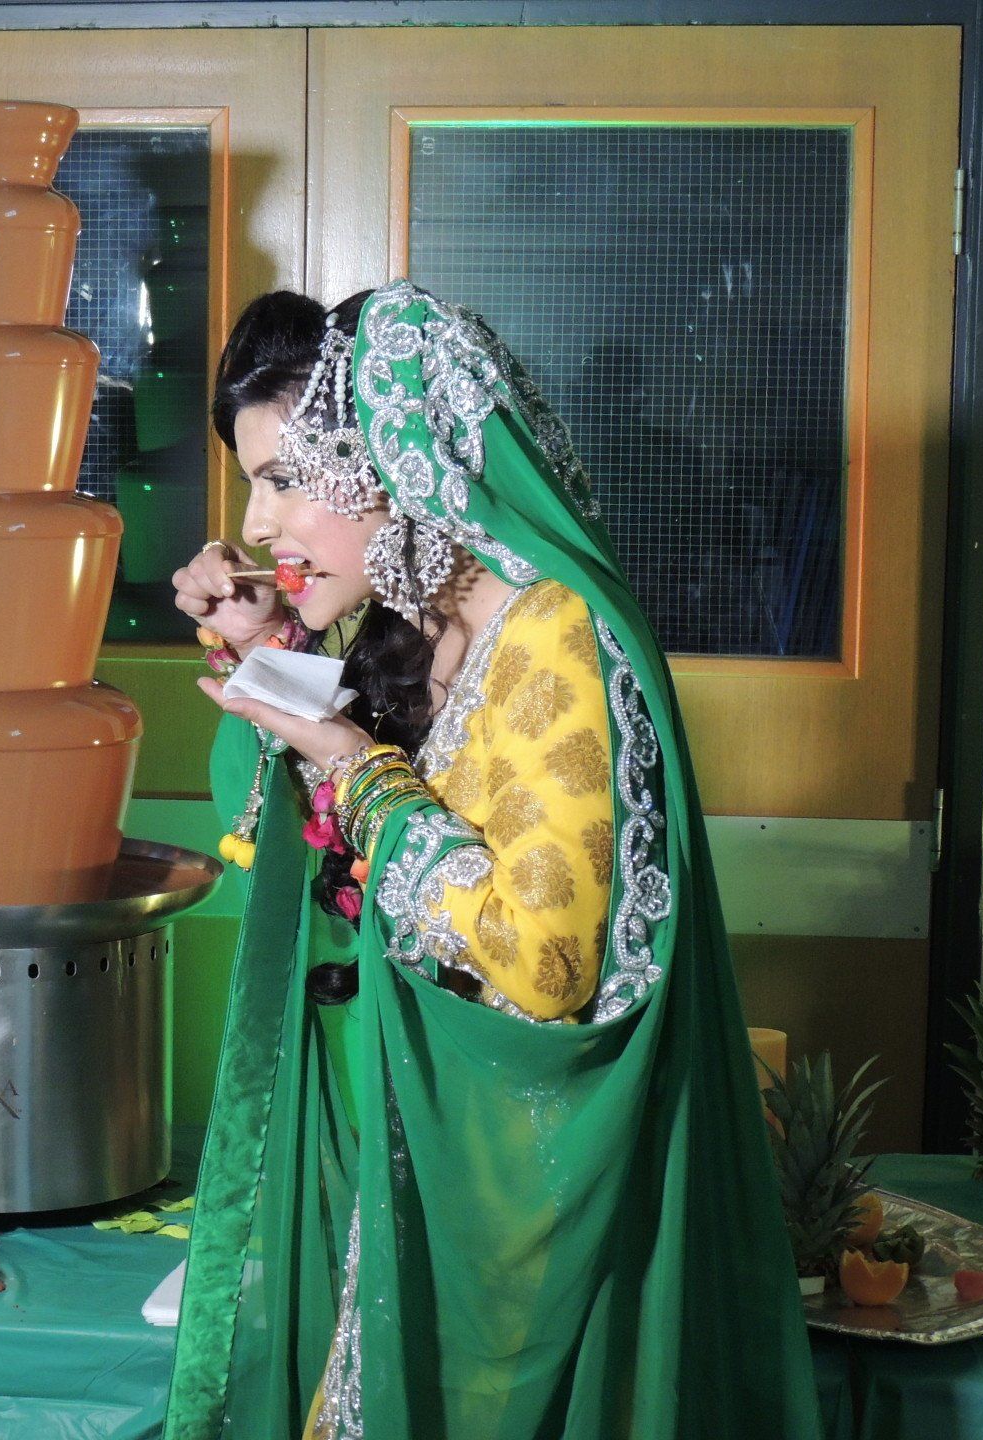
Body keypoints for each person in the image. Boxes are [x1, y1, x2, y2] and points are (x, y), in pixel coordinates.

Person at [165, 283, 819, 1439]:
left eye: (282, 479)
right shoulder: (410, 627)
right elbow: (274, 840)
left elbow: (543, 960)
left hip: (514, 1194)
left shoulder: (555, 640)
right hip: (401, 1158)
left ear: (394, 460)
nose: (257, 526)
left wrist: (348, 759)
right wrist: (275, 646)